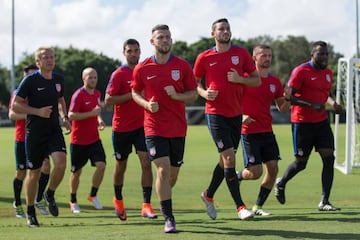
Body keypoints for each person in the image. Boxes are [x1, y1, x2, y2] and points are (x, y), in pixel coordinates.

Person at [131, 24, 197, 233]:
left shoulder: (183, 65)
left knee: (172, 176)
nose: (165, 40)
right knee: (162, 169)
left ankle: (163, 199)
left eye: (168, 37)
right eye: (161, 37)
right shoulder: (142, 68)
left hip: (178, 128)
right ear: (152, 42)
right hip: (153, 127)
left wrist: (177, 96)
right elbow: (135, 93)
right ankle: (169, 218)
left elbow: (193, 93)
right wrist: (146, 105)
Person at [193, 18, 261, 220]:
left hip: (235, 115)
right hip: (215, 113)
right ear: (213, 33)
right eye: (221, 29)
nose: (225, 31)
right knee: (230, 158)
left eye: (227, 28)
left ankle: (208, 195)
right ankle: (240, 207)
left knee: (224, 162)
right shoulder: (204, 57)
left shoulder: (241, 54)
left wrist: (240, 79)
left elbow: (256, 80)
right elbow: (193, 83)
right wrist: (204, 94)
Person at [274, 41, 343, 211]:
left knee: (329, 158)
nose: (325, 57)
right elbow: (288, 97)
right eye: (321, 54)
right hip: (302, 122)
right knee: (301, 163)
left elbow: (326, 94)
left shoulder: (328, 73)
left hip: (321, 122)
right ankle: (281, 183)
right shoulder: (300, 71)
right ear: (312, 54)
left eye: (326, 53)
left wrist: (333, 104)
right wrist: (311, 104)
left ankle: (324, 201)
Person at [12, 47, 71, 227]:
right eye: (45, 58)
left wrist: (64, 117)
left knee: (61, 164)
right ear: (38, 62)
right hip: (35, 133)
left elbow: (61, 100)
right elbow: (15, 106)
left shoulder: (58, 79)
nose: (50, 60)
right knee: (35, 172)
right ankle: (31, 211)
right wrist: (37, 111)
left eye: (52, 57)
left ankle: (49, 193)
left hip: (54, 130)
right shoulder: (29, 80)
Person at [105, 39, 157, 221]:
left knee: (146, 162)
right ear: (124, 52)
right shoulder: (118, 74)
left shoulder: (145, 70)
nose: (133, 53)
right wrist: (132, 95)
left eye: (136, 50)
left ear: (140, 51)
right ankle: (118, 200)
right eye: (130, 51)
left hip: (143, 126)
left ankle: (147, 205)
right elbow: (108, 100)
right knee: (121, 166)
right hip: (121, 128)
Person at [236, 45, 291, 216]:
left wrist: (288, 97)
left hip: (267, 131)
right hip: (248, 131)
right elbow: (232, 101)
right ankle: (237, 176)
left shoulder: (274, 82)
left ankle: (257, 207)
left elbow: (282, 108)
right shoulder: (245, 78)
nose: (267, 58)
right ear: (254, 58)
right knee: (255, 172)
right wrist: (241, 116)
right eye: (263, 55)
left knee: (273, 168)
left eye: (269, 55)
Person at [8, 64, 51, 218]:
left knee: (46, 167)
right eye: (29, 75)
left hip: (40, 136)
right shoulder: (18, 93)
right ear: (25, 77)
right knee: (22, 172)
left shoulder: (42, 91)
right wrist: (33, 114)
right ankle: (18, 202)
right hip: (22, 138)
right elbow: (12, 115)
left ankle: (39, 198)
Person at [68, 67, 106, 214]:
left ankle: (93, 195)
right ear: (83, 78)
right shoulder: (78, 95)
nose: (93, 80)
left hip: (94, 139)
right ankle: (73, 200)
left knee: (101, 165)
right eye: (90, 77)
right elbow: (71, 115)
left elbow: (96, 111)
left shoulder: (97, 93)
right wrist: (91, 113)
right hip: (78, 141)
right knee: (76, 172)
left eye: (95, 77)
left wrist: (99, 119)